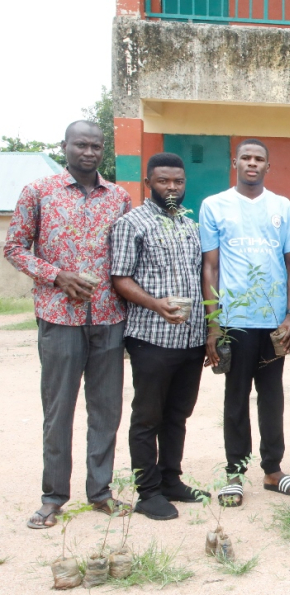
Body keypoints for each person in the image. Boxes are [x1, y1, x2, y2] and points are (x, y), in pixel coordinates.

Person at [6, 121, 133, 529]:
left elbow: (127, 253)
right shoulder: (38, 192)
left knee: (107, 410)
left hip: (109, 317)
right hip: (59, 316)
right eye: (81, 144)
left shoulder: (119, 196)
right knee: (59, 410)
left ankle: (100, 492)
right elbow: (13, 247)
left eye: (96, 146)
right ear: (65, 147)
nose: (89, 152)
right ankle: (53, 496)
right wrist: (55, 275)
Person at [200, 139, 290, 506]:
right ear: (235, 162)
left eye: (259, 159)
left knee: (272, 395)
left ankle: (273, 469)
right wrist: (214, 324)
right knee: (236, 395)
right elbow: (210, 266)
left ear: (267, 167)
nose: (251, 163)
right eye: (245, 157)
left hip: (274, 320)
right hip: (234, 318)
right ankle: (234, 472)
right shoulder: (214, 206)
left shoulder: (282, 206)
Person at [109, 153, 208, 520]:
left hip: (191, 339)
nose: (172, 188)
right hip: (151, 338)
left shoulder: (187, 223)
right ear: (149, 182)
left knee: (178, 414)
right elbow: (120, 279)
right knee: (147, 417)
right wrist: (155, 304)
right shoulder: (131, 223)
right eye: (164, 181)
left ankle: (171, 480)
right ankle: (147, 492)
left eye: (178, 182)